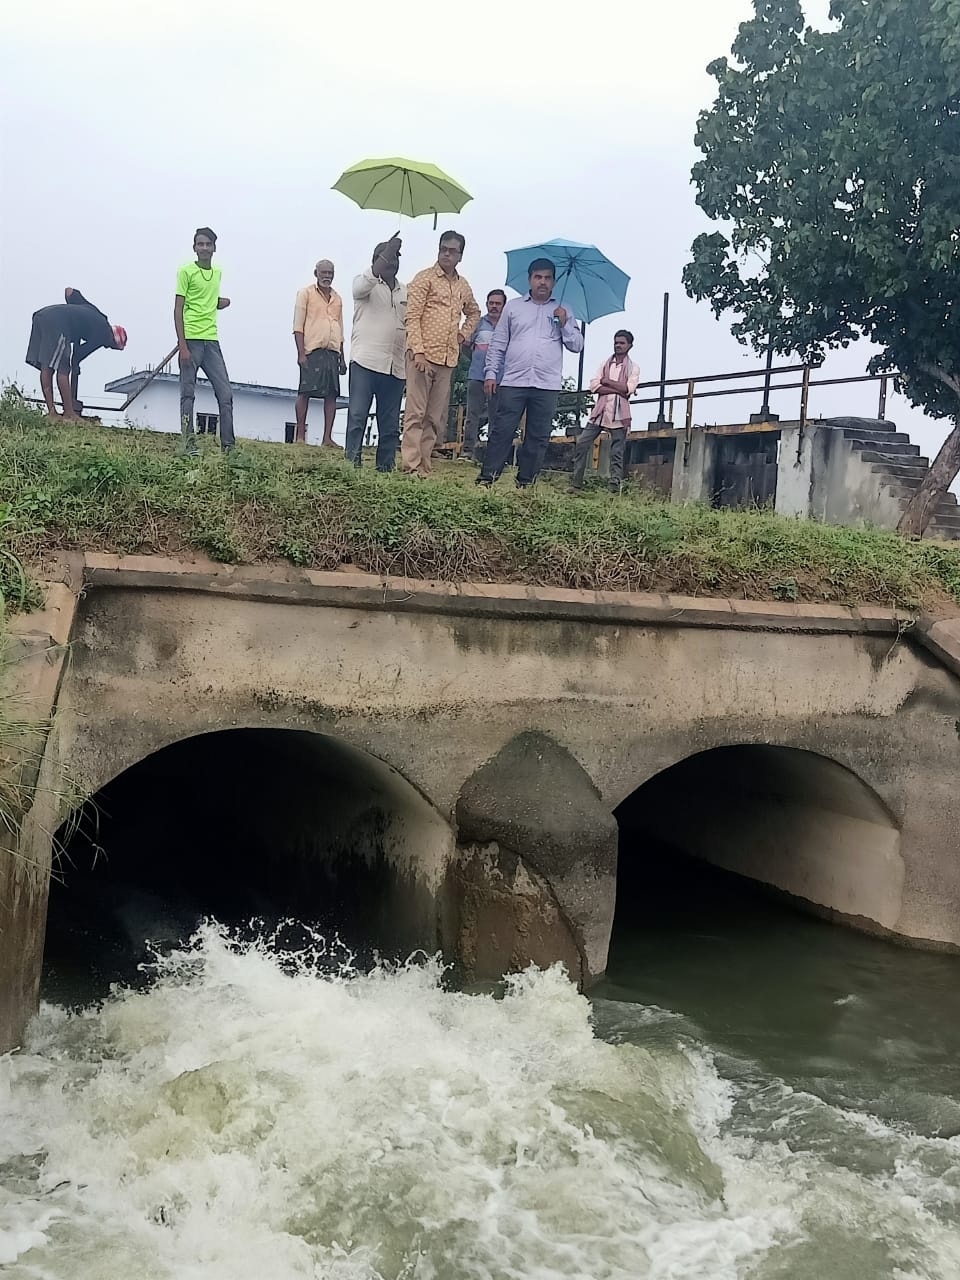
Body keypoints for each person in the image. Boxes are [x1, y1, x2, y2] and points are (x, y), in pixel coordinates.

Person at [477, 258, 584, 488]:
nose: (542, 282)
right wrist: (491, 373)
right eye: (538, 277)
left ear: (554, 282)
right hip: (514, 380)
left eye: (547, 278)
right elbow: (498, 343)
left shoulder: (564, 309)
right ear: (530, 280)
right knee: (502, 430)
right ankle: (487, 478)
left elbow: (577, 345)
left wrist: (564, 323)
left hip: (546, 384)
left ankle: (525, 483)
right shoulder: (513, 307)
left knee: (538, 436)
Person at [402, 230, 481, 477]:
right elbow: (412, 317)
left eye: (452, 251)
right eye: (443, 249)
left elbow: (474, 313)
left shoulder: (463, 285)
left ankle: (424, 466)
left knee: (434, 417)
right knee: (415, 413)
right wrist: (418, 352)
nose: (447, 254)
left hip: (447, 359)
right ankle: (411, 465)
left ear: (460, 256)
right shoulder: (424, 278)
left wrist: (462, 335)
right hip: (422, 356)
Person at [345, 236, 407, 472]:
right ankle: (351, 466)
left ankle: (385, 470)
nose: (392, 262)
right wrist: (389, 249)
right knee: (357, 416)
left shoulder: (406, 291)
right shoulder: (364, 284)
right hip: (365, 361)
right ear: (376, 260)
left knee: (390, 425)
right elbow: (365, 282)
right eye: (388, 258)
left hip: (395, 366)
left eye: (396, 258)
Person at [175, 227, 235, 454]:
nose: (204, 248)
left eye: (208, 244)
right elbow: (178, 308)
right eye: (200, 244)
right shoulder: (186, 272)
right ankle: (188, 444)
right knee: (188, 394)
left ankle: (228, 448)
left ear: (214, 248)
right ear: (194, 248)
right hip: (191, 339)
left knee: (225, 394)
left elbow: (205, 299)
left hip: (211, 340)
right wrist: (182, 345)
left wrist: (220, 302)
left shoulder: (217, 273)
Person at [26, 292, 127, 420]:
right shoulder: (104, 333)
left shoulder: (96, 313)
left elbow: (70, 292)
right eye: (111, 346)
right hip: (58, 324)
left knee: (47, 366)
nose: (107, 347)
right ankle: (69, 413)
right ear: (113, 340)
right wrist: (75, 366)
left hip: (41, 316)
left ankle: (52, 412)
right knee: (63, 369)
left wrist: (73, 313)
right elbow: (78, 355)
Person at [571, 330, 641, 492]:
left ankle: (614, 488)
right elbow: (594, 386)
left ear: (630, 346)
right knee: (582, 444)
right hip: (600, 412)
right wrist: (617, 389)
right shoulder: (605, 364)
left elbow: (628, 388)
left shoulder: (633, 367)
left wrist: (607, 381)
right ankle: (576, 483)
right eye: (616, 342)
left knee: (617, 453)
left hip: (619, 414)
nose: (618, 345)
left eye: (622, 343)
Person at [293, 259, 346, 446]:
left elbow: (340, 328)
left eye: (330, 273)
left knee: (332, 394)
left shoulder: (337, 298)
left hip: (332, 351)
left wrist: (342, 358)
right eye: (324, 272)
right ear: (316, 273)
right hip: (312, 350)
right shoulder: (305, 294)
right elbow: (298, 326)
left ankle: (327, 438)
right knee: (305, 391)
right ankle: (300, 436)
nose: (327, 276)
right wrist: (301, 354)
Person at [462, 289, 505, 460]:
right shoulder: (478, 324)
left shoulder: (508, 325)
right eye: (491, 303)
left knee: (497, 416)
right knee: (472, 414)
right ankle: (468, 451)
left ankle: (493, 454)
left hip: (501, 377)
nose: (494, 306)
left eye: (498, 303)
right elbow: (466, 346)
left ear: (504, 306)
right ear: (487, 304)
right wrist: (476, 358)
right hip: (477, 375)